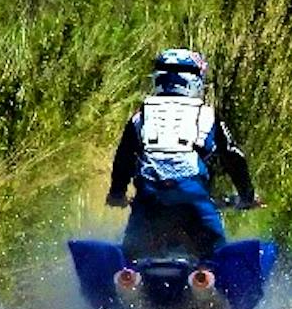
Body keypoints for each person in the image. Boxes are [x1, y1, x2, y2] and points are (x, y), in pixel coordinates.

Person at [107, 48, 259, 260]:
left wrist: (116, 194)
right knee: (217, 254)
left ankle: (129, 278)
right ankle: (206, 276)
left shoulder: (140, 116)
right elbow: (233, 158)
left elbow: (123, 159)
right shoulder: (207, 115)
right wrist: (247, 196)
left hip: (149, 195)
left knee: (130, 255)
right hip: (192, 194)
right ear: (195, 79)